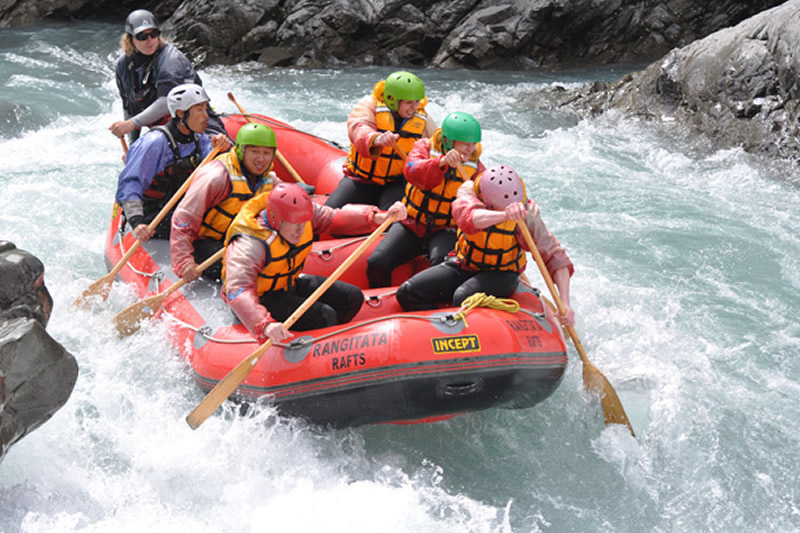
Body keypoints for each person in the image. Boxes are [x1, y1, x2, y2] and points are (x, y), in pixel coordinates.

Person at [223, 183, 407, 344]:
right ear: (274, 219)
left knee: (352, 297)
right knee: (325, 315)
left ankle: (323, 345)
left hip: (288, 285)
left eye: (303, 223)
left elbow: (335, 217)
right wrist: (263, 324)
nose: (300, 229)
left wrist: (378, 217)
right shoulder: (249, 245)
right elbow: (238, 289)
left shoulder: (303, 213)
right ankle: (313, 354)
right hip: (261, 301)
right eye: (294, 224)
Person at [395, 164, 575, 327]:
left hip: (502, 273)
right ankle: (434, 333)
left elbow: (554, 256)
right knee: (408, 291)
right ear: (487, 203)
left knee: (463, 296)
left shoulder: (526, 213)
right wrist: (504, 215)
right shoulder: (469, 193)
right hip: (463, 263)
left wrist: (565, 303)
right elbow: (469, 219)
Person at [366, 111, 485, 288]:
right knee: (377, 263)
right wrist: (440, 163)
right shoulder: (424, 147)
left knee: (441, 268)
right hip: (412, 224)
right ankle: (380, 304)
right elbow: (411, 171)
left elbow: (484, 199)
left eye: (473, 144)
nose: (471, 149)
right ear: (448, 141)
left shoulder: (476, 168)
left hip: (445, 229)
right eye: (465, 144)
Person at [115, 83, 230, 243]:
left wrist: (223, 150)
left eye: (206, 109)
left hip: (181, 207)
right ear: (181, 113)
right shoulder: (155, 142)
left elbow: (216, 173)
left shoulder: (200, 139)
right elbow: (131, 183)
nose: (206, 117)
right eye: (199, 110)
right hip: (153, 213)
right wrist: (137, 222)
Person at [170, 123, 280, 282]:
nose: (261, 159)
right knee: (250, 265)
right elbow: (183, 219)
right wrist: (184, 262)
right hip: (203, 244)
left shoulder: (269, 178)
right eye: (254, 152)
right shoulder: (217, 177)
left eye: (266, 153)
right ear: (241, 151)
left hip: (235, 240)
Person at [324, 71, 437, 210]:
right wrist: (377, 138)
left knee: (392, 214)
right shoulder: (369, 105)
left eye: (416, 102)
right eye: (409, 103)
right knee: (330, 210)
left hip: (395, 182)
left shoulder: (422, 118)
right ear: (392, 99)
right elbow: (358, 127)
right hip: (361, 180)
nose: (414, 107)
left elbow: (437, 143)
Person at [109, 9, 224, 143]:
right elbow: (129, 108)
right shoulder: (123, 66)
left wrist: (131, 124)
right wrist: (132, 145)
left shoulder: (170, 59)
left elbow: (166, 102)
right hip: (166, 132)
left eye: (154, 34)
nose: (149, 40)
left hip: (198, 126)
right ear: (130, 39)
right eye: (142, 36)